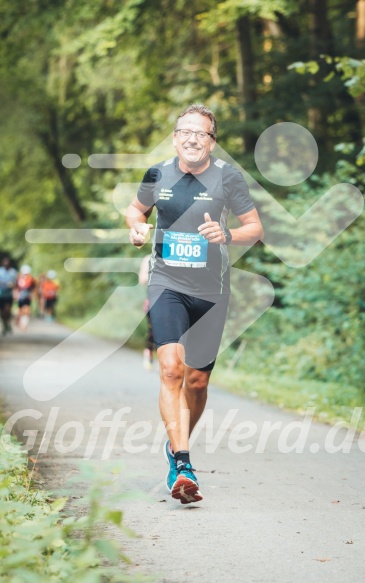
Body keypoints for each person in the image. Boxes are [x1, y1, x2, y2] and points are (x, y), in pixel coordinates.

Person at [126, 104, 263, 504]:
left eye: (201, 133)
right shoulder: (157, 174)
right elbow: (137, 210)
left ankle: (175, 444)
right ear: (174, 137)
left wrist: (226, 233)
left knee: (197, 381)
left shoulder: (227, 177)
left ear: (212, 141)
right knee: (170, 369)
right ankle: (182, 461)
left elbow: (254, 228)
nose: (192, 138)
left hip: (211, 290)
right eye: (185, 131)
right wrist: (135, 227)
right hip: (166, 281)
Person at [139, 254, 155, 370]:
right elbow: (142, 280)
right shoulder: (148, 258)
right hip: (152, 301)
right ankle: (148, 354)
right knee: (152, 331)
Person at [15, 265, 36, 331]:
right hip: (20, 297)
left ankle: (24, 325)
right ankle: (18, 320)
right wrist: (16, 294)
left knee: (27, 311)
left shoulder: (32, 279)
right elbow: (15, 287)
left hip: (27, 297)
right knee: (20, 311)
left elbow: (34, 288)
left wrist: (32, 294)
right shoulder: (18, 278)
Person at [0, 256, 17, 336]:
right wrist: (5, 284)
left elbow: (16, 283)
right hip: (1, 295)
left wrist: (13, 287)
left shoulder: (13, 272)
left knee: (7, 311)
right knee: (3, 312)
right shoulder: (0, 271)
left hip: (9, 295)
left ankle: (8, 325)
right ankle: (5, 326)